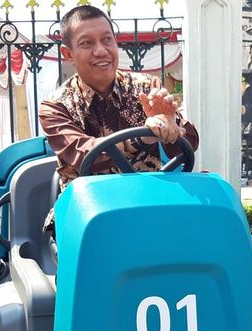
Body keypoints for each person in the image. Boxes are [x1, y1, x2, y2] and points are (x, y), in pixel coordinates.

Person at [38, 4, 199, 234]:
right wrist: (145, 137)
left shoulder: (146, 88)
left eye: (107, 40)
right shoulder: (55, 107)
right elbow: (86, 156)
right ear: (68, 54)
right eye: (87, 43)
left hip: (147, 207)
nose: (100, 51)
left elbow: (188, 145)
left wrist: (171, 128)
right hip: (87, 213)